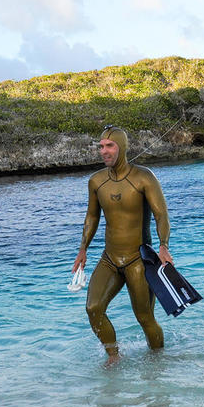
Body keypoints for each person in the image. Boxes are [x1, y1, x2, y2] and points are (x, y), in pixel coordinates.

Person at [72, 125, 174, 365]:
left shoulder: (143, 177)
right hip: (110, 258)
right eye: (101, 147)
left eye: (110, 146)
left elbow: (162, 215)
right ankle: (113, 356)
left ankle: (158, 362)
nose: (104, 151)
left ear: (122, 147)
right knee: (93, 308)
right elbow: (92, 217)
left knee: (145, 317)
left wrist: (163, 246)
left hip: (138, 259)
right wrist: (83, 248)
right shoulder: (96, 181)